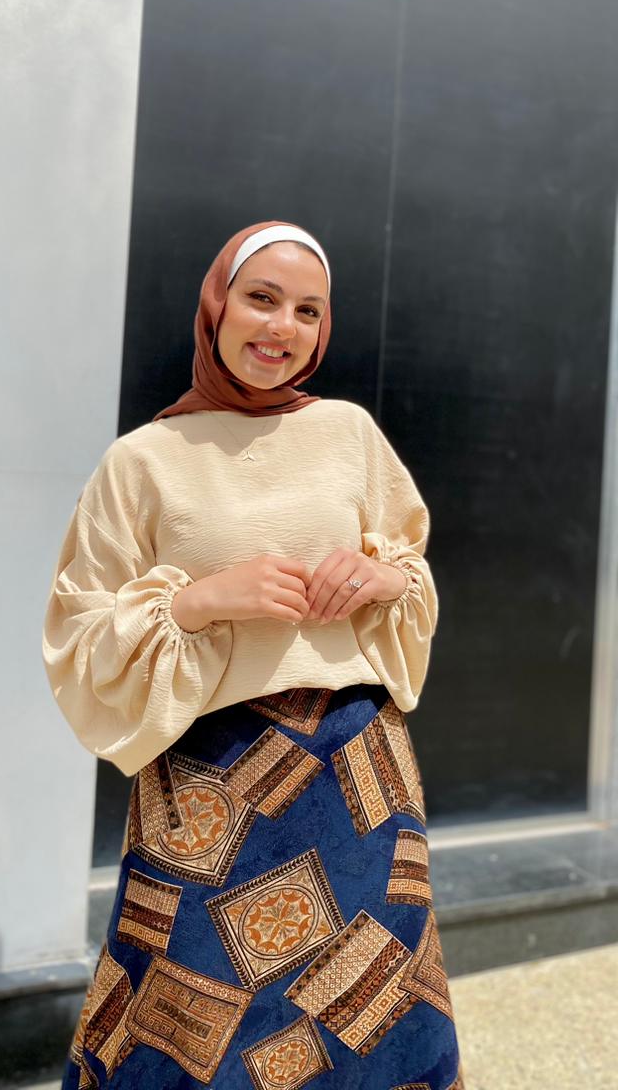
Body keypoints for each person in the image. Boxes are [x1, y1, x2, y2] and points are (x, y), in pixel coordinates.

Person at [42, 220, 464, 1089]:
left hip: (358, 772)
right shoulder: (143, 461)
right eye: (262, 298)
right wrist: (200, 601)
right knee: (185, 1018)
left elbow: (409, 566)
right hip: (207, 779)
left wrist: (381, 578)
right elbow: (79, 629)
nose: (282, 327)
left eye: (307, 310)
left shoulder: (349, 433)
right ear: (216, 304)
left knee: (371, 1012)